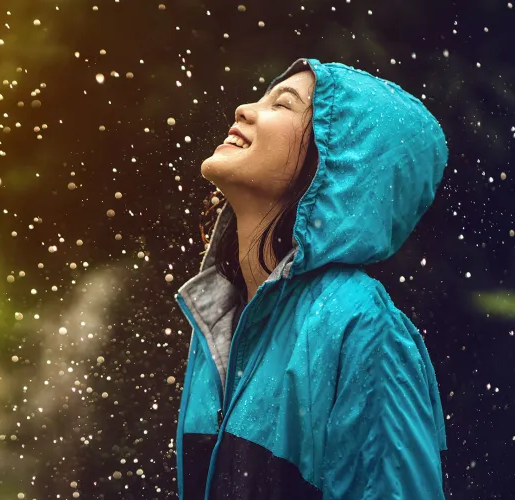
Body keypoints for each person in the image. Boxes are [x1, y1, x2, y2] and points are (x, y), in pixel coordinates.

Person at [173, 58, 449, 499]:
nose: (244, 109)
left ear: (338, 161)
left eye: (282, 104)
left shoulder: (359, 324)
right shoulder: (222, 315)